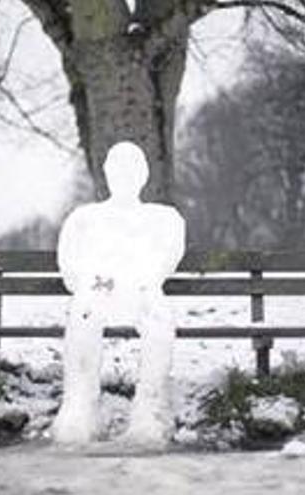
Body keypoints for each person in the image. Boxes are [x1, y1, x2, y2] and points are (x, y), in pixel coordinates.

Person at [52, 141, 186, 445]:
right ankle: (80, 405)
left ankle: (150, 408)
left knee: (157, 315)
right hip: (97, 294)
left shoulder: (164, 219)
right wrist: (94, 282)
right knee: (83, 312)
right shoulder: (84, 218)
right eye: (117, 168)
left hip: (143, 294)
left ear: (144, 175)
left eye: (132, 169)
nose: (124, 176)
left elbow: (165, 260)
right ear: (106, 174)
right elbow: (70, 265)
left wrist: (137, 282)